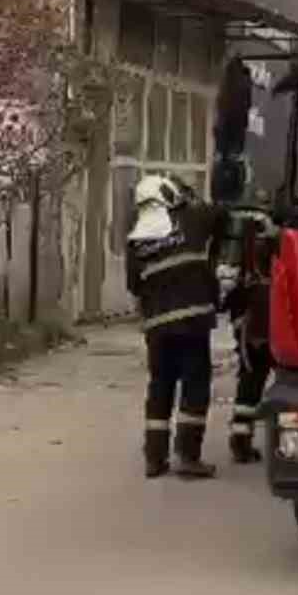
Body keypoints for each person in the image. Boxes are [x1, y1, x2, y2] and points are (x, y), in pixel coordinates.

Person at [126, 175, 225, 479]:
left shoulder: (136, 239)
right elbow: (221, 216)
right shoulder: (191, 217)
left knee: (160, 386)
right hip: (192, 320)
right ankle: (188, 456)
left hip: (157, 326)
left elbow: (133, 285)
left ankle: (154, 458)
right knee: (195, 385)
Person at [225, 211, 276, 463]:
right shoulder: (278, 248)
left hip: (252, 330)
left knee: (250, 385)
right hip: (272, 328)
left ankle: (240, 440)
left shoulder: (243, 260)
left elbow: (231, 295)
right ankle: (248, 440)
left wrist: (237, 322)